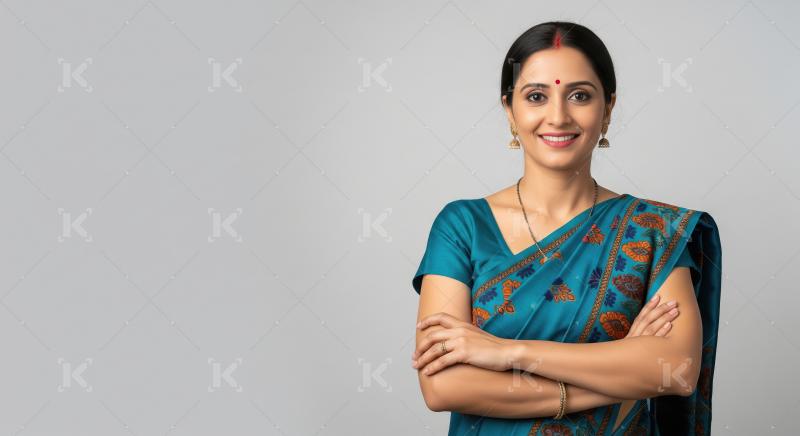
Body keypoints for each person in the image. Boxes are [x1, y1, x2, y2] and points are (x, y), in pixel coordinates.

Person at [410, 21, 721, 435]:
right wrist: (616, 376)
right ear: (510, 110)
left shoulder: (652, 230)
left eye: (579, 95)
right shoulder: (462, 227)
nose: (557, 116)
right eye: (536, 96)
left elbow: (677, 370)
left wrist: (506, 352)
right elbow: (443, 386)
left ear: (608, 109)